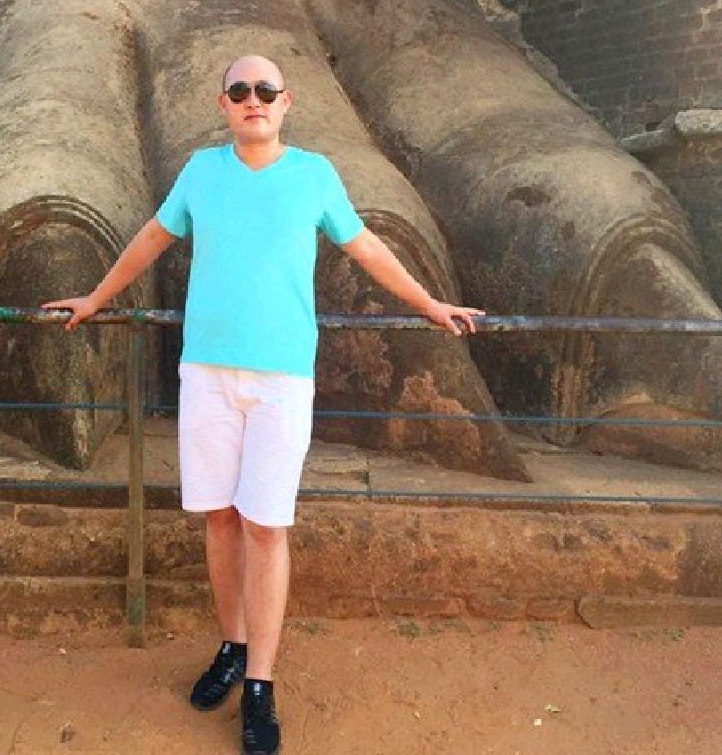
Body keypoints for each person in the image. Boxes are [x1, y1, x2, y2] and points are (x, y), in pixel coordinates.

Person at [42, 54, 482, 755]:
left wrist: (429, 303)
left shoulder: (314, 175)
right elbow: (153, 237)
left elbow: (366, 247)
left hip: (281, 379)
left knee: (266, 526)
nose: (255, 99)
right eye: (241, 90)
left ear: (286, 102)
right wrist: (97, 297)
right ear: (223, 103)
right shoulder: (200, 173)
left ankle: (259, 684)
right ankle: (232, 643)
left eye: (266, 90)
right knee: (220, 518)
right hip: (207, 373)